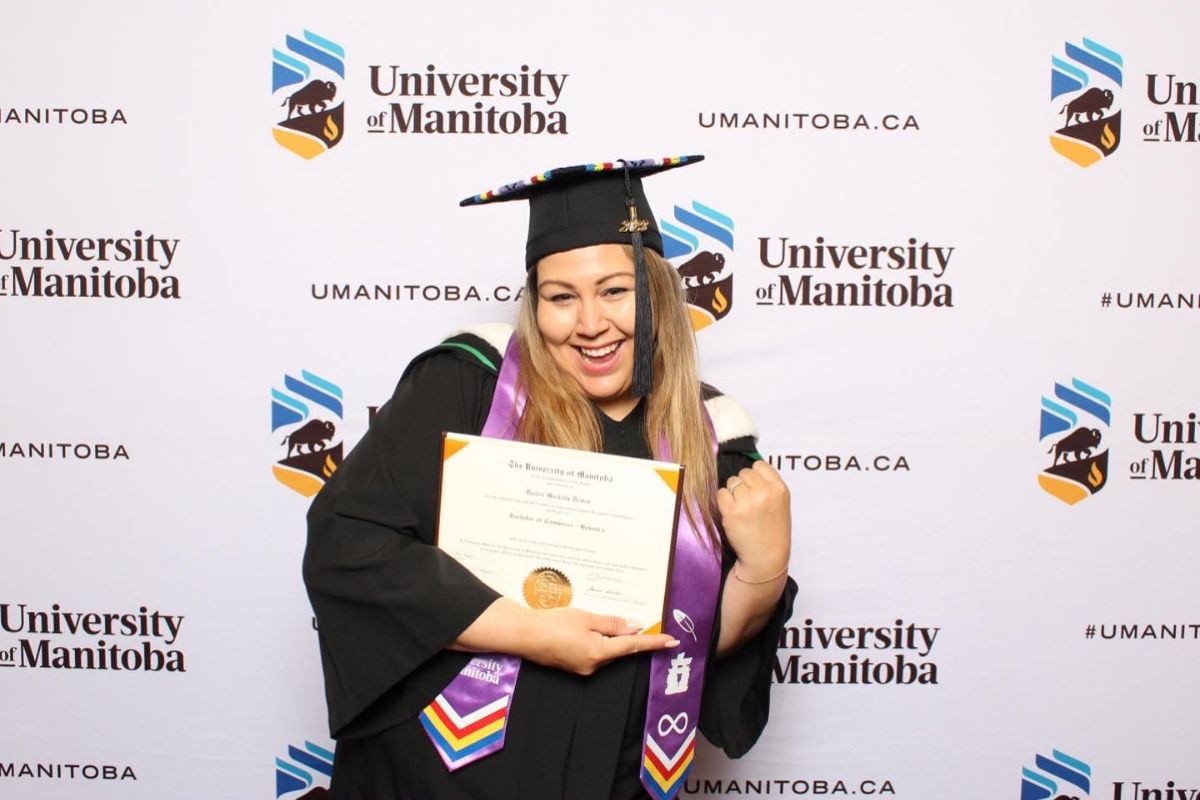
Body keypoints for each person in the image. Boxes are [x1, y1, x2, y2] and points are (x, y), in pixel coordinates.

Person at [303, 156, 796, 800]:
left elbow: (692, 648)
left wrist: (763, 570)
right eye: (562, 297)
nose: (590, 324)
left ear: (657, 298)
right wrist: (527, 630)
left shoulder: (714, 438)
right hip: (441, 768)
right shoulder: (468, 387)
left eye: (615, 291)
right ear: (535, 306)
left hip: (613, 774)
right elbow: (350, 544)